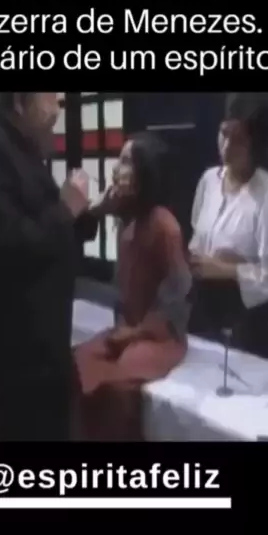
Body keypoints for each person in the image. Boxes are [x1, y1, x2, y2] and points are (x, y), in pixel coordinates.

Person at [0, 92, 98, 441]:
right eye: (51, 97)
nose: (59, 106)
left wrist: (91, 211)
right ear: (21, 101)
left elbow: (45, 219)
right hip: (17, 348)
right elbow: (10, 242)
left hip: (45, 338)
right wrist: (66, 210)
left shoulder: (23, 144)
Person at [73, 132, 192, 441]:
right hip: (129, 329)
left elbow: (179, 294)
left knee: (116, 385)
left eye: (125, 161)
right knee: (79, 362)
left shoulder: (164, 225)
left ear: (144, 173)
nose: (115, 169)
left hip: (161, 337)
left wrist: (137, 332)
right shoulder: (128, 220)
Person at [188, 94, 268, 358]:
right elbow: (197, 236)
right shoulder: (208, 180)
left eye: (238, 140)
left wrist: (227, 269)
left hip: (244, 314)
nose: (226, 146)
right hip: (203, 303)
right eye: (223, 134)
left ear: (256, 144)